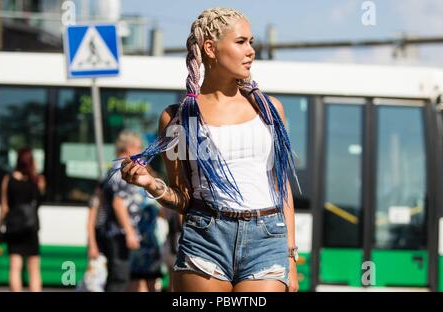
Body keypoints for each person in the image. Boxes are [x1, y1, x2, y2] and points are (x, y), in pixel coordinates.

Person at [121, 7, 299, 292]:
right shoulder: (178, 117)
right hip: (206, 238)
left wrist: (290, 255)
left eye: (251, 42)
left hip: (267, 239)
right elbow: (183, 199)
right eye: (241, 42)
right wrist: (150, 184)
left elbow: (281, 186)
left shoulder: (270, 109)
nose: (251, 50)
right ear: (210, 48)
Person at [90, 130, 144, 292]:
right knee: (119, 279)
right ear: (126, 148)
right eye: (137, 147)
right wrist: (129, 232)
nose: (140, 151)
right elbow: (118, 203)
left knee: (115, 277)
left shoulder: (112, 169)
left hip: (111, 232)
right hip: (118, 234)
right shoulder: (122, 170)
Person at [0, 148, 46, 292]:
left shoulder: (8, 179)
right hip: (31, 228)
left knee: (14, 267)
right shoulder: (38, 180)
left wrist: (1, 226)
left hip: (14, 228)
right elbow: (39, 200)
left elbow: (4, 207)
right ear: (32, 162)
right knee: (34, 269)